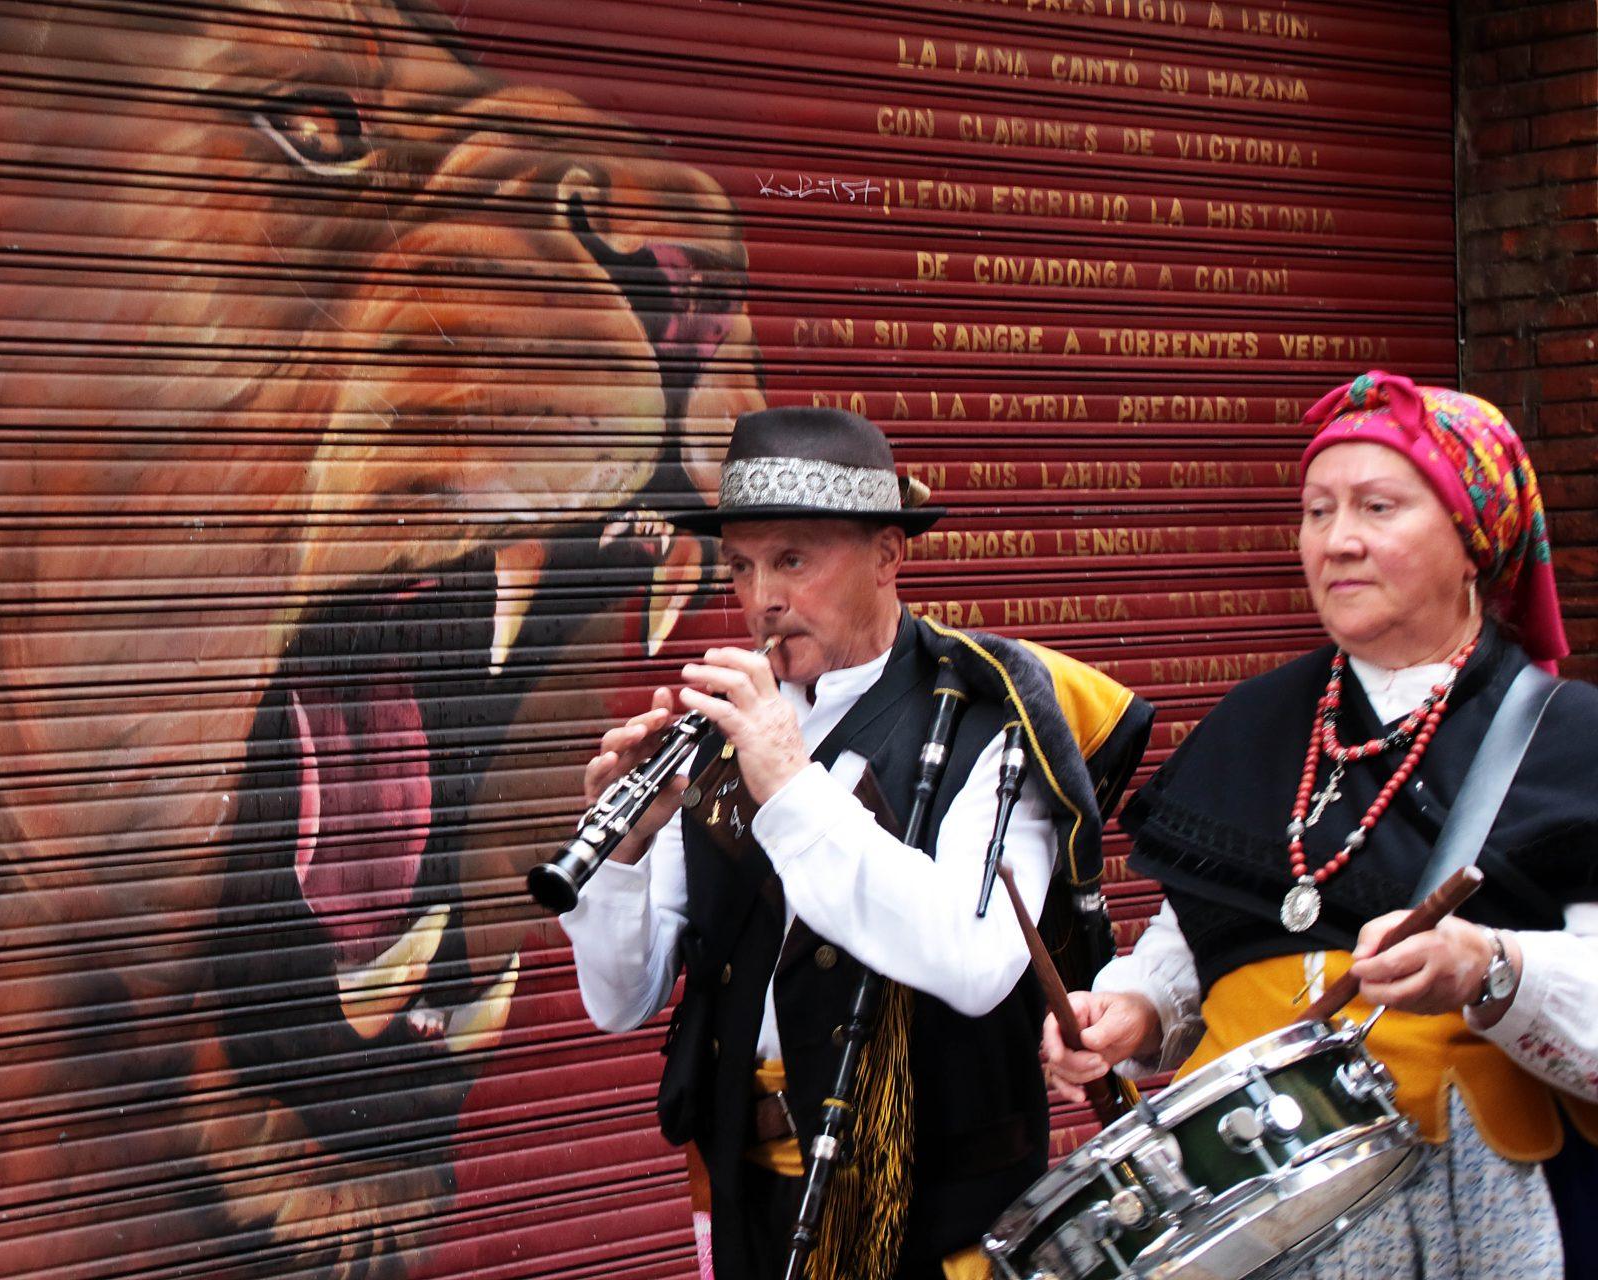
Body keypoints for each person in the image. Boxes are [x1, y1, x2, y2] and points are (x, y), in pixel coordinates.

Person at [558, 406, 1154, 1280]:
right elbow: (618, 1001)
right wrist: (624, 853)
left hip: (938, 1219)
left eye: (793, 559)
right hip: (750, 1204)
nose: (762, 597)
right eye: (742, 566)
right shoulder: (720, 736)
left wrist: (790, 783)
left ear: (887, 555)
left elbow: (976, 962)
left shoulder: (992, 721)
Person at [1043, 372, 1598, 1279]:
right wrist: (1135, 1010)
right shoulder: (1254, 722)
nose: (1337, 540)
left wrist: (1491, 968)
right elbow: (1204, 931)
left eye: (1378, 507)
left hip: (1473, 1206)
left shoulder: (1571, 743)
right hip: (1241, 1203)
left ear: (1472, 543)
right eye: (1316, 511)